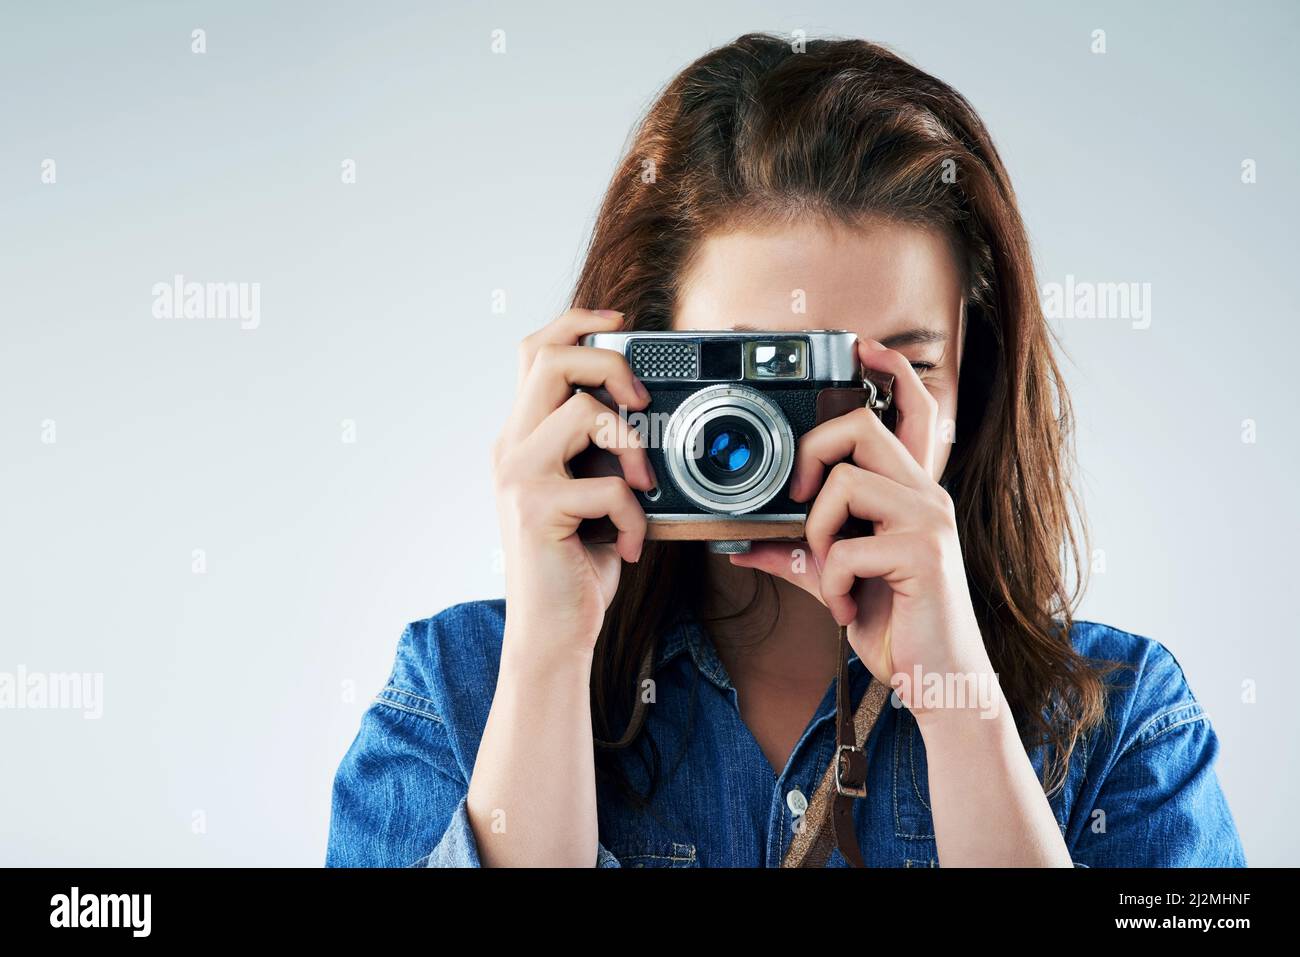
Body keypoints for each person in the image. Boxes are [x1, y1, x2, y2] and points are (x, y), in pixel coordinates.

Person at [326, 33, 1246, 867]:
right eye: (750, 373)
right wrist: (545, 663)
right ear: (635, 366)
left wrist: (959, 705)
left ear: (975, 377)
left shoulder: (1125, 720)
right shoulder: (461, 691)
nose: (815, 440)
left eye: (887, 377)